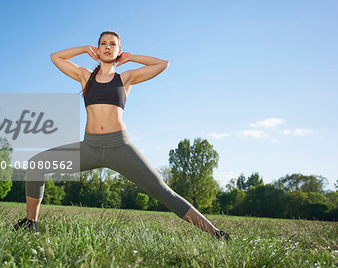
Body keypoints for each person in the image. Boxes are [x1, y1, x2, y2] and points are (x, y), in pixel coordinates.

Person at [14, 31, 229, 241]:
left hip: (120, 147)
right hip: (89, 147)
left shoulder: (126, 78)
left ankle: (215, 233)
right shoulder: (85, 76)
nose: (108, 47)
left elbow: (163, 64)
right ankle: (30, 223)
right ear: (97, 49)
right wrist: (82, 49)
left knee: (162, 191)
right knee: (36, 165)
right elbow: (56, 57)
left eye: (113, 44)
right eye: (103, 44)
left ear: (119, 50)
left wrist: (132, 58)